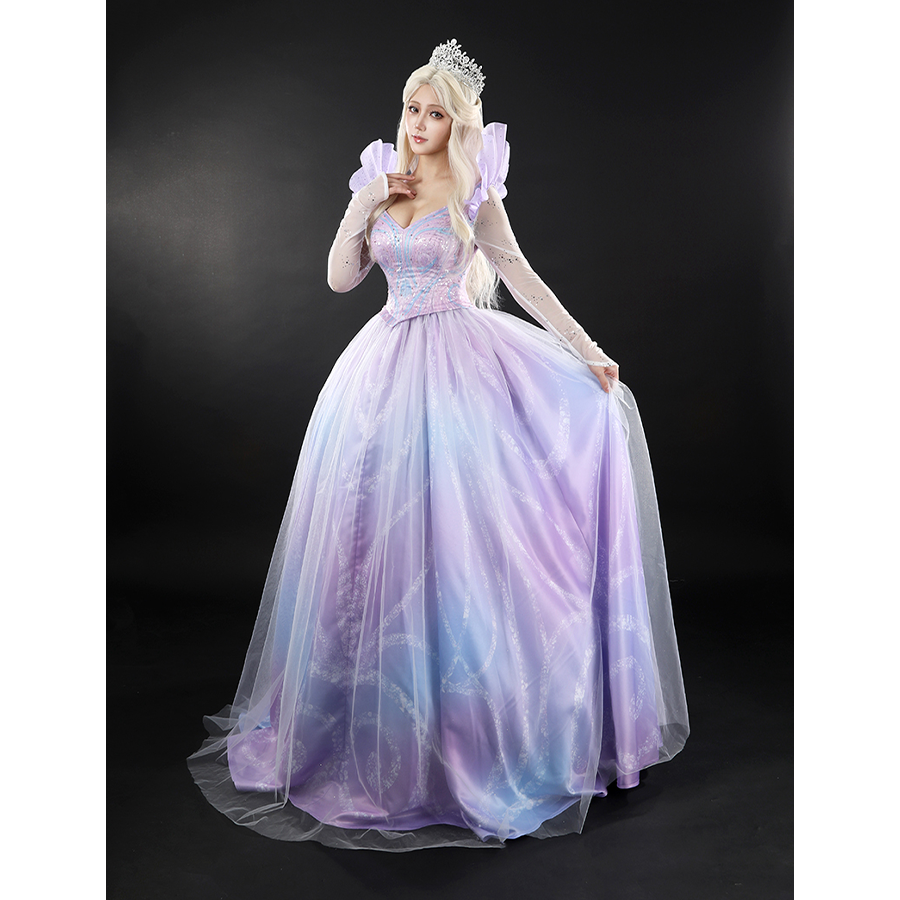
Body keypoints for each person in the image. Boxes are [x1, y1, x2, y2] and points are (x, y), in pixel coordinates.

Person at [188, 38, 689, 851]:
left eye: (435, 115)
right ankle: (373, 725)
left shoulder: (474, 190)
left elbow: (520, 277)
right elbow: (340, 279)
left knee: (456, 539)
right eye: (412, 109)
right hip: (381, 369)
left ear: (459, 125)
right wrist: (362, 205)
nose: (418, 124)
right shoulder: (383, 181)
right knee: (368, 540)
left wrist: (588, 349)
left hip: (458, 367)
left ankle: (463, 733)